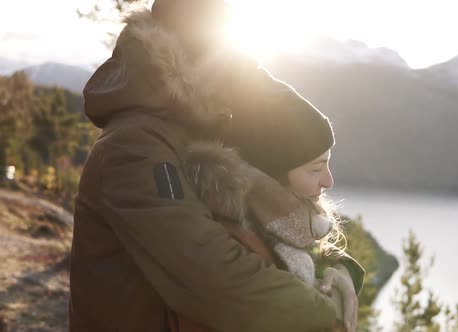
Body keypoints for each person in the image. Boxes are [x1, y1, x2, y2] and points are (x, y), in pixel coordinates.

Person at [68, 1, 362, 331]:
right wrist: (324, 310)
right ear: (191, 57)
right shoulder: (135, 147)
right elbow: (209, 273)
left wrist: (337, 270)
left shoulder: (203, 127)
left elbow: (276, 219)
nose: (244, 75)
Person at [172, 86, 365, 331]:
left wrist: (343, 271)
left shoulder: (289, 222)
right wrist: (334, 305)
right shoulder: (232, 237)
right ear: (273, 175)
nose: (329, 181)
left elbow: (319, 254)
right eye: (316, 169)